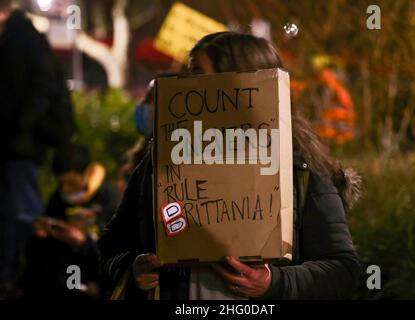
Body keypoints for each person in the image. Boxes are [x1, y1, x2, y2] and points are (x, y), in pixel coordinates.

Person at [98, 32, 361, 300]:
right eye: (190, 74)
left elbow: (342, 271)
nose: (188, 85)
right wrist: (133, 269)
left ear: (241, 83)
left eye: (198, 73)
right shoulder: (161, 162)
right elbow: (110, 247)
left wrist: (274, 283)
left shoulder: (300, 168)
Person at [0, 0, 75, 297]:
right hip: (16, 145)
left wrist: (21, 125)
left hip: (22, 146)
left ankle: (24, 277)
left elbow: (42, 89)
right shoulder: (16, 38)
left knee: (22, 213)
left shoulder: (23, 39)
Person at [21, 145, 117, 299]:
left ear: (87, 173)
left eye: (71, 183)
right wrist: (41, 234)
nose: (66, 189)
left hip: (92, 282)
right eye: (61, 183)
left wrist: (83, 243)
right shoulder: (57, 199)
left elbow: (116, 254)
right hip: (59, 281)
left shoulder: (109, 199)